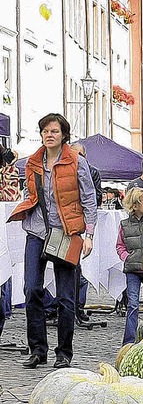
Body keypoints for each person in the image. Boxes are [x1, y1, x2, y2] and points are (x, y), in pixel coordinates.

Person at [8, 113, 97, 369]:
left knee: (66, 297)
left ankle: (63, 353)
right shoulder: (33, 162)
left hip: (66, 233)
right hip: (37, 231)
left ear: (64, 135)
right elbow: (30, 191)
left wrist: (88, 235)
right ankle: (37, 350)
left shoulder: (77, 162)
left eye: (54, 131)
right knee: (32, 289)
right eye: (46, 131)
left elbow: (89, 199)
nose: (49, 135)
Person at [117, 188, 143, 345]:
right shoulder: (124, 225)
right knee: (132, 305)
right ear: (135, 205)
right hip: (132, 270)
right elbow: (120, 245)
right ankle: (129, 342)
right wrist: (127, 257)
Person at [71, 142, 103, 322]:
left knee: (79, 270)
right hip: (69, 223)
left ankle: (78, 306)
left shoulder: (92, 172)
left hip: (82, 223)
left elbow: (95, 197)